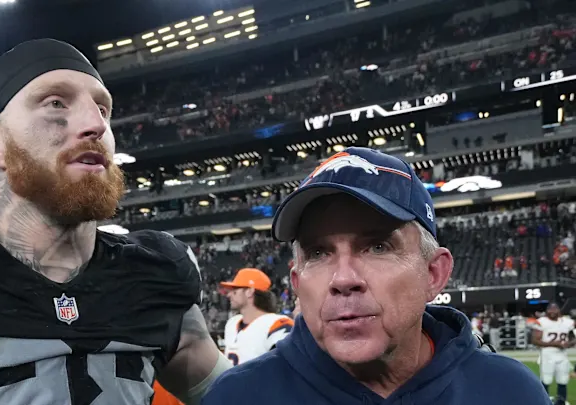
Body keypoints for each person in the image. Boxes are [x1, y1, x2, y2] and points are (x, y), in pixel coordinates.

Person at [0, 39, 230, 404]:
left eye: (103, 109)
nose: (95, 124)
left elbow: (243, 393)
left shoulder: (155, 276)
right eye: (56, 103)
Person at [202, 147, 551, 405]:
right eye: (318, 253)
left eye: (378, 247)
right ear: (297, 284)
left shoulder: (511, 392)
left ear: (433, 274)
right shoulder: (236, 397)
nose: (343, 279)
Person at [220, 268, 294, 365]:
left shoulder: (277, 324)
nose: (229, 295)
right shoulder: (232, 323)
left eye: (235, 291)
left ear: (249, 292)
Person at [531, 302, 576, 405]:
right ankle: (544, 401)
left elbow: (572, 337)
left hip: (562, 355)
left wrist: (569, 343)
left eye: (555, 309)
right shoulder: (542, 322)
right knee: (546, 380)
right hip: (547, 354)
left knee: (563, 380)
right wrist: (554, 344)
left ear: (559, 310)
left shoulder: (567, 322)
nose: (552, 311)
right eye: (550, 309)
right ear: (547, 310)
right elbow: (535, 340)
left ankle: (561, 401)